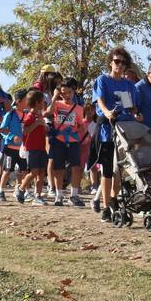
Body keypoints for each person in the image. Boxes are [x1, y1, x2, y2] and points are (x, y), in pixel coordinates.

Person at [92, 47, 142, 220]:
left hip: (125, 130)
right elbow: (100, 101)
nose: (119, 65)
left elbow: (132, 107)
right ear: (110, 62)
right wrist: (106, 113)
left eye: (123, 62)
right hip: (107, 130)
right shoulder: (102, 80)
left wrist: (137, 113)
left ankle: (113, 199)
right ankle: (106, 207)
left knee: (120, 169)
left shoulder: (129, 85)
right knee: (106, 170)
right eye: (116, 61)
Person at [48, 78, 86, 206]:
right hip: (58, 140)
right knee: (58, 168)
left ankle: (74, 195)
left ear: (74, 92)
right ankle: (59, 195)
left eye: (69, 92)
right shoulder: (57, 104)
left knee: (76, 167)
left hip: (73, 140)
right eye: (63, 92)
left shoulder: (79, 108)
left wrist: (78, 130)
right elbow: (48, 112)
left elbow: (81, 125)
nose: (66, 95)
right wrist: (54, 97)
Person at [18, 89, 50, 205]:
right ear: (37, 102)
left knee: (41, 172)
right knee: (34, 172)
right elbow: (25, 131)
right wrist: (37, 124)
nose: (44, 104)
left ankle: (38, 195)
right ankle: (21, 189)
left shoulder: (40, 116)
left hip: (41, 147)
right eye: (42, 102)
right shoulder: (30, 116)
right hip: (32, 148)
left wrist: (45, 127)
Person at [0, 89, 27, 200]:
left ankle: (20, 190)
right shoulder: (10, 114)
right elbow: (2, 130)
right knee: (7, 170)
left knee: (24, 170)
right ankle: (0, 191)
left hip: (23, 149)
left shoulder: (27, 115)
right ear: (19, 101)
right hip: (10, 148)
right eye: (26, 99)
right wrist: (12, 137)